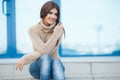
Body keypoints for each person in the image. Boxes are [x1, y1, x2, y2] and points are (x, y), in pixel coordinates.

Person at [16, 1, 65, 80]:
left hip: (55, 68)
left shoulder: (59, 30)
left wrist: (26, 58)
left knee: (56, 61)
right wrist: (26, 58)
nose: (53, 17)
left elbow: (47, 51)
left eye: (56, 14)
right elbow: (44, 51)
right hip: (38, 67)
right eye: (50, 13)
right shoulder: (33, 30)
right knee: (45, 58)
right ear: (44, 12)